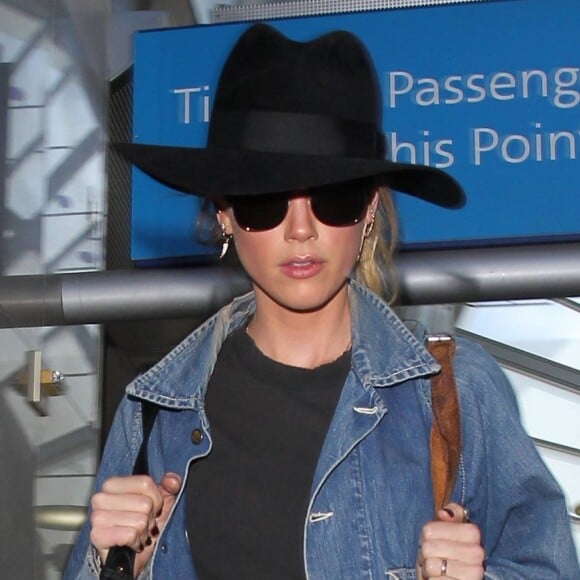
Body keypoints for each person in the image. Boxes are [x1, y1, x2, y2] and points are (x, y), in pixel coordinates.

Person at [65, 23, 579, 580]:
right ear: (224, 214)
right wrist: (116, 568)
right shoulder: (156, 412)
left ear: (368, 213)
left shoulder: (453, 393)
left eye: (332, 199)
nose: (301, 229)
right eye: (265, 202)